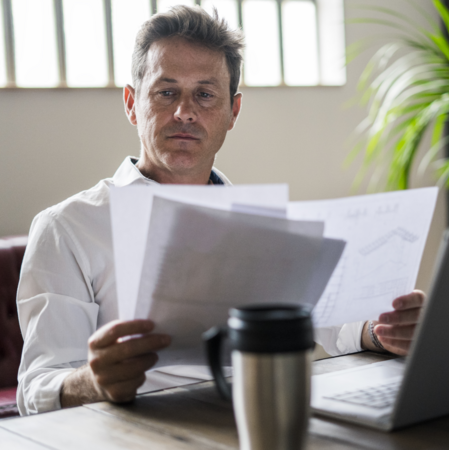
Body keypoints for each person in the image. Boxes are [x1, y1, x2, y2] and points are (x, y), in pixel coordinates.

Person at [16, 6, 425, 416]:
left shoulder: (261, 223)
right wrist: (92, 382)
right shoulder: (67, 228)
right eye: (166, 91)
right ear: (131, 103)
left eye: (206, 94)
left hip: (259, 418)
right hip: (135, 427)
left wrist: (385, 330)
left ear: (233, 112)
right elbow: (38, 386)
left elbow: (334, 321)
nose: (185, 112)